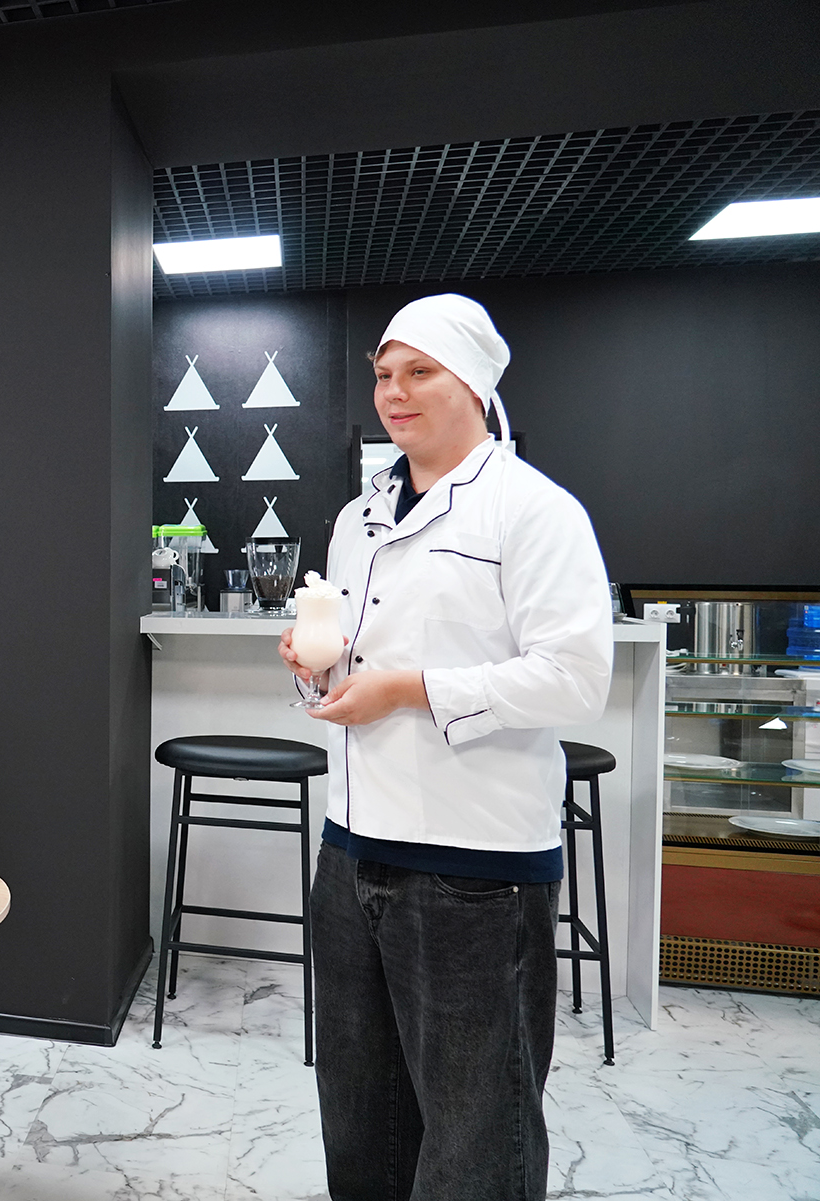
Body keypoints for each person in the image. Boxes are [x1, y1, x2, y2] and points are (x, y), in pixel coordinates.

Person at [277, 294, 612, 1201]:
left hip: (475, 873)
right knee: (361, 1125)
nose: (394, 391)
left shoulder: (533, 511)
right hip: (351, 855)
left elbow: (577, 676)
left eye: (419, 371)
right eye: (384, 374)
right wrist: (314, 666)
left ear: (474, 383)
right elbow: (351, 663)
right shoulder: (357, 520)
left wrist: (412, 689)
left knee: (475, 1142)